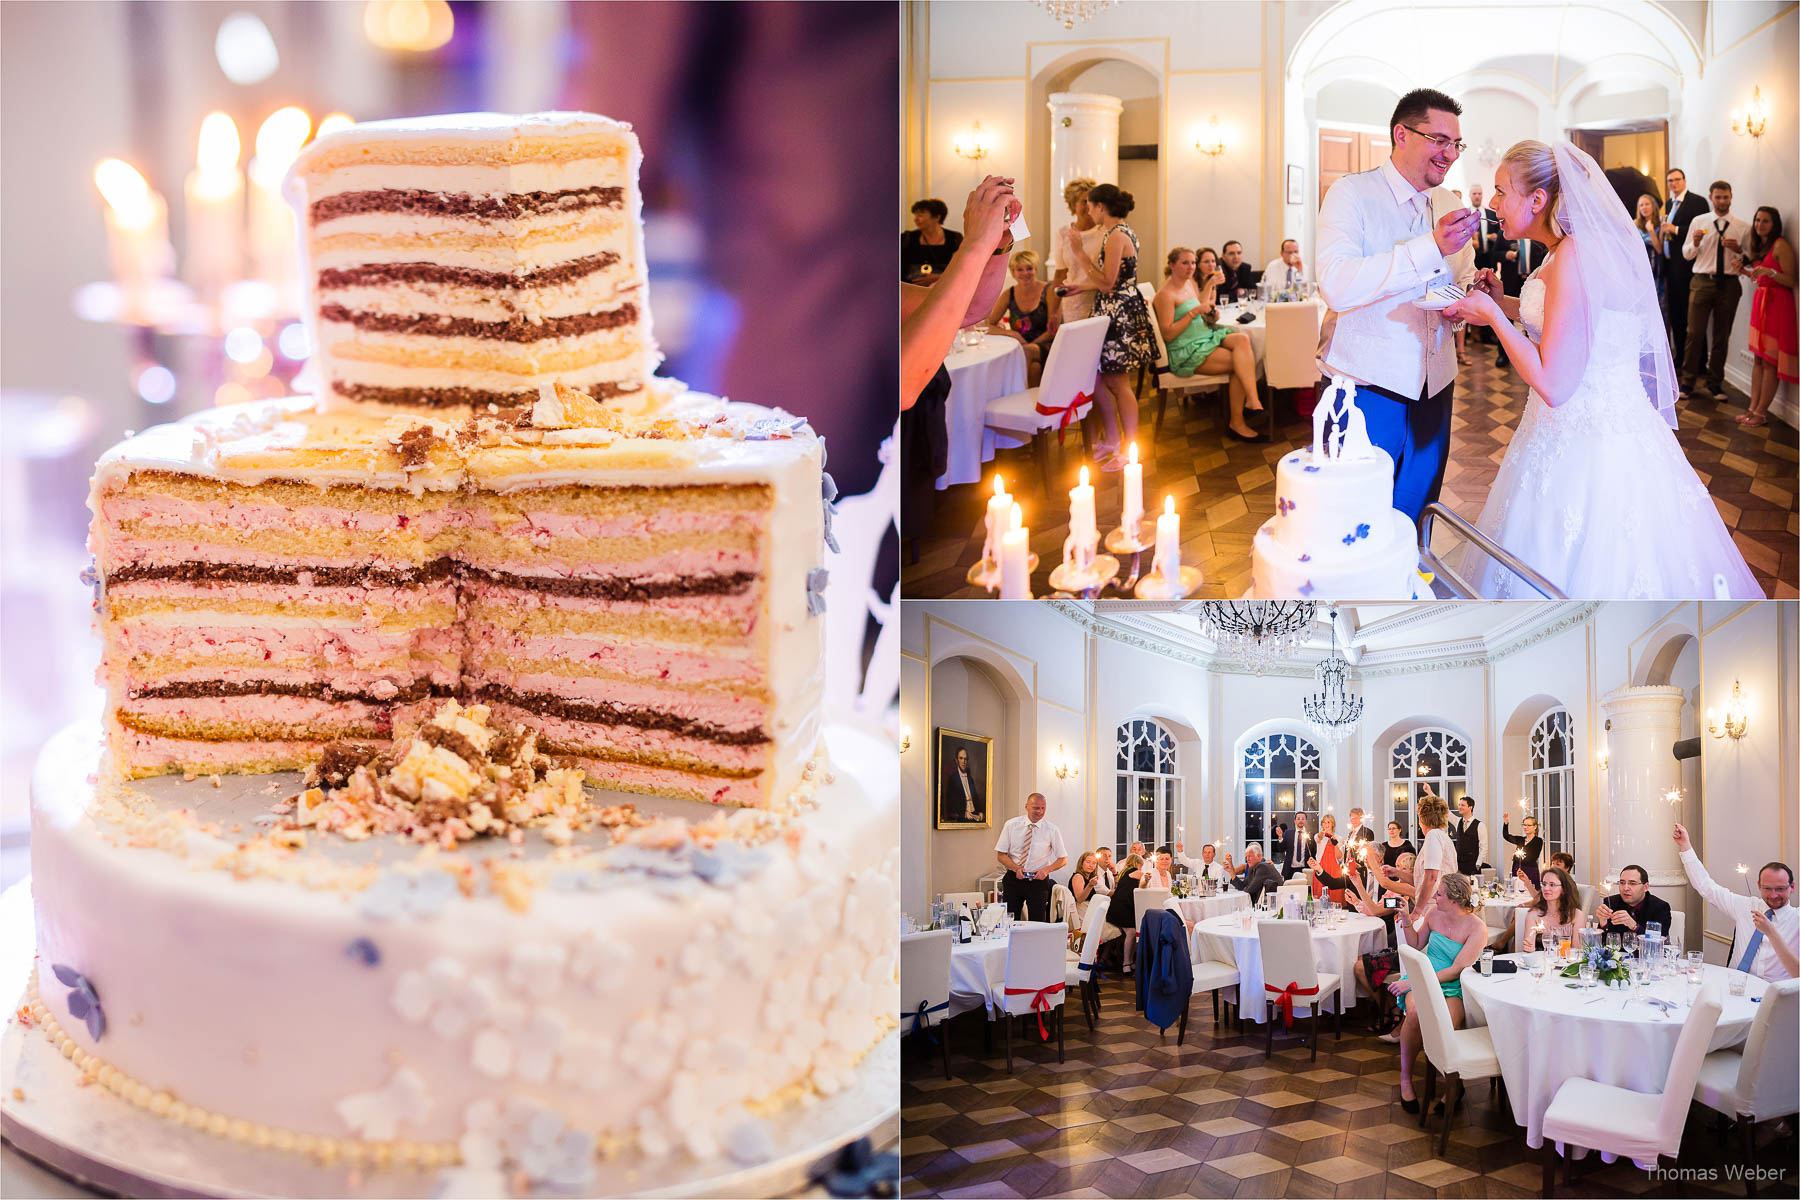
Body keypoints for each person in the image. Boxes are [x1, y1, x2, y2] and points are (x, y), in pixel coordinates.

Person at [1442, 141, 1763, 601]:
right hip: (1566, 432)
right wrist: (1505, 303)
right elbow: (1571, 320)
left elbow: (1554, 383)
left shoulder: (1572, 255)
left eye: (1499, 191)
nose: (1492, 205)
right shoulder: (1566, 250)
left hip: (1589, 442)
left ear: (1536, 201)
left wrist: (1493, 319)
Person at [1316, 88, 1477, 523]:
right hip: (1364, 391)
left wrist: (1466, 299)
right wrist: (1430, 246)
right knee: (1352, 520)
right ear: (1401, 134)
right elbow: (1336, 285)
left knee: (1417, 515)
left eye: (1456, 144)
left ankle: (1409, 587)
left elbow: (1460, 277)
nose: (1450, 154)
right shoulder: (1350, 195)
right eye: (1439, 140)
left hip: (1436, 388)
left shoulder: (1451, 204)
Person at [1062, 183, 1154, 467]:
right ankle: (1113, 439)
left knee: (1117, 382)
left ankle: (1130, 448)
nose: (1087, 209)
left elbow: (1108, 282)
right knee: (1099, 378)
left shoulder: (1116, 236)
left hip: (1119, 314)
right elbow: (1109, 281)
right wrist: (1079, 286)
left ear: (1101, 206)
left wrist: (1078, 253)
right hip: (1112, 309)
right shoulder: (1117, 233)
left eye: (1090, 204)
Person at [1386, 874, 1488, 1099]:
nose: (1433, 896)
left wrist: (1412, 981)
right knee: (1413, 1013)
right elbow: (1415, 944)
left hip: (1453, 984)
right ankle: (1406, 1079)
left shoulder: (1477, 928)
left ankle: (1453, 1081)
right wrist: (1406, 919)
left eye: (1439, 893)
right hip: (1424, 977)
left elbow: (1457, 969)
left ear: (1454, 900)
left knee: (1447, 1021)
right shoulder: (1434, 913)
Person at [1154, 246, 1263, 441]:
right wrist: (1193, 312)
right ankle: (1238, 421)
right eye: (1185, 263)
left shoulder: (1188, 285)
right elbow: (1168, 334)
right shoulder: (1166, 294)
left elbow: (1200, 313)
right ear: (1172, 265)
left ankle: (1252, 399)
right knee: (1241, 363)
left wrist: (1210, 316)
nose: (1191, 267)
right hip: (1186, 349)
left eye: (1193, 263)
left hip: (1203, 337)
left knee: (1242, 339)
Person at [1674, 823, 1798, 981]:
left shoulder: (1796, 919)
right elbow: (1707, 887)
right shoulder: (1747, 906)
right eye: (1767, 888)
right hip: (1734, 986)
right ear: (1759, 886)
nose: (1773, 895)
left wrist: (1771, 932)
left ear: (1791, 887)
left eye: (1780, 889)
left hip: (1775, 996)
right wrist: (1685, 846)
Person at [1680, 180, 1752, 400]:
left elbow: (1750, 259)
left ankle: (1715, 383)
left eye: (1726, 197)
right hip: (1702, 281)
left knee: (1722, 335)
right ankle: (1687, 383)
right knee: (1694, 333)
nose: (1722, 201)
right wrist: (1694, 243)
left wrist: (1738, 250)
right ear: (1711, 197)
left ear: (1731, 198)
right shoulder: (1699, 221)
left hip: (1729, 284)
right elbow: (1686, 254)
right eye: (1718, 197)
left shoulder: (1743, 227)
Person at [1741, 205, 1795, 428]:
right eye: (1757, 220)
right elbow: (1760, 277)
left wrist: (1770, 272)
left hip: (1777, 306)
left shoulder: (1781, 245)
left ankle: (1762, 412)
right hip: (1761, 303)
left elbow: (1790, 280)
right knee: (1758, 359)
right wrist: (1744, 271)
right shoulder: (1761, 246)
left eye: (1765, 221)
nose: (1759, 225)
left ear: (1775, 225)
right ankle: (1752, 408)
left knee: (1770, 362)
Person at [984, 249, 1059, 387]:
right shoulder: (1009, 294)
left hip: (1048, 344)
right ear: (1013, 272)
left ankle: (1014, 395)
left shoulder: (1048, 291)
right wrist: (1010, 333)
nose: (1025, 273)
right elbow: (987, 325)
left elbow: (1053, 331)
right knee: (1035, 367)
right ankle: (1031, 403)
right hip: (1022, 347)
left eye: (1029, 268)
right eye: (1020, 269)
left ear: (1036, 269)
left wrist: (1028, 345)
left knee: (1026, 352)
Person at [1659, 168, 1709, 367]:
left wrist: (1675, 229)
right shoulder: (1670, 203)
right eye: (1670, 180)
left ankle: (1698, 362)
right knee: (1677, 315)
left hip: (1687, 267)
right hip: (1670, 267)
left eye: (1677, 180)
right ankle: (1680, 358)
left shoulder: (1698, 202)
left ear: (1685, 181)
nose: (1674, 184)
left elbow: (1705, 229)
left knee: (1693, 318)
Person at [993, 792, 1068, 923]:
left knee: (1038, 922)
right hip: (1013, 880)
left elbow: (1063, 859)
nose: (1040, 811)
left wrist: (1046, 870)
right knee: (1009, 921)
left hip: (1038, 882)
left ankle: (1036, 944)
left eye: (1043, 808)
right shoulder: (1011, 825)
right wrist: (1016, 868)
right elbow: (1001, 855)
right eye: (1036, 808)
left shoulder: (1052, 829)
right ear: (1026, 807)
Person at [1050, 177, 1102, 324]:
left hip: (1099, 299)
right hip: (1073, 302)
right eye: (1084, 201)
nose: (1088, 206)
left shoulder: (1105, 232)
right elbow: (1060, 273)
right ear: (1073, 205)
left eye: (1092, 201)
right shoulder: (1063, 233)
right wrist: (1053, 312)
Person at [1410, 792, 1456, 934]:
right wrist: (1396, 872)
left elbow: (1431, 876)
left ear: (1422, 818)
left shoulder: (1433, 835)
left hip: (1433, 906)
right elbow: (1423, 877)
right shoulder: (1443, 837)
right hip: (1442, 903)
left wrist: (1417, 911)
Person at [1598, 863, 1673, 936]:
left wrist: (1634, 926)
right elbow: (1605, 943)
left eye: (1632, 883)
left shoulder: (1660, 907)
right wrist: (1603, 923)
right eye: (1622, 883)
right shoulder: (1610, 902)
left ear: (1645, 887)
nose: (1625, 888)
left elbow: (1658, 942)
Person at [1521, 865, 1583, 952]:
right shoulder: (1534, 914)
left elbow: (1577, 951)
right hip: (1541, 962)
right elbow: (1528, 948)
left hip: (1567, 963)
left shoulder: (1576, 915)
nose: (1546, 888)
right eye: (1544, 884)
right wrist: (1528, 948)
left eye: (1552, 885)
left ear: (1564, 889)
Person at [901, 198, 962, 285]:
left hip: (942, 288)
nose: (916, 219)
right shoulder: (907, 237)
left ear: (937, 217)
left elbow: (962, 267)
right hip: (910, 289)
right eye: (915, 216)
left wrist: (939, 277)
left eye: (920, 216)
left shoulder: (954, 238)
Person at [1105, 853, 1145, 972]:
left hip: (1119, 906)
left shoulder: (1124, 873)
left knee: (1134, 929)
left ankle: (1130, 961)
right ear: (1137, 864)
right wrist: (1147, 877)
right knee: (1132, 932)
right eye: (1141, 865)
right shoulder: (1135, 871)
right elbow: (1143, 883)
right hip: (1122, 908)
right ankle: (1126, 963)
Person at [939, 745, 983, 824]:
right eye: (961, 758)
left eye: (965, 759)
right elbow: (951, 803)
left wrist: (980, 811)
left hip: (974, 815)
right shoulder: (953, 779)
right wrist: (963, 814)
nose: (963, 761)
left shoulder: (970, 778)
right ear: (956, 760)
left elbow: (975, 797)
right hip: (962, 818)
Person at [1633, 193, 1664, 304]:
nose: (1644, 207)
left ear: (1653, 206)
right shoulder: (1635, 223)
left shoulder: (1660, 222)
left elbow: (1659, 249)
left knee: (1657, 299)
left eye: (1647, 204)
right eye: (1641, 205)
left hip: (1655, 266)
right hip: (1640, 266)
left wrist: (1651, 231)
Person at [1501, 811, 1544, 888]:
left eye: (1528, 825)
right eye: (1524, 825)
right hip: (1517, 870)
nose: (1525, 827)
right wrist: (1506, 823)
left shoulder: (1538, 841)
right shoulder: (1520, 840)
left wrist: (1515, 856)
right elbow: (1506, 836)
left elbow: (1532, 857)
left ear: (1535, 827)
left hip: (1530, 871)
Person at [1448, 795, 1483, 877]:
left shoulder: (1480, 825)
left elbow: (1483, 847)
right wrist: (1430, 792)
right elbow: (1446, 811)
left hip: (1473, 866)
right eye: (1459, 805)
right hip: (1458, 866)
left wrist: (1478, 863)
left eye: (1463, 805)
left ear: (1470, 807)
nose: (1460, 807)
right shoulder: (1457, 822)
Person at [1068, 850, 1102, 930]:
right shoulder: (1078, 876)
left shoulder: (1090, 877)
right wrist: (1090, 885)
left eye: (1094, 863)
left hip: (1088, 910)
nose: (1091, 865)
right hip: (1081, 912)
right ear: (1081, 863)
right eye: (1088, 862)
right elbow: (1079, 899)